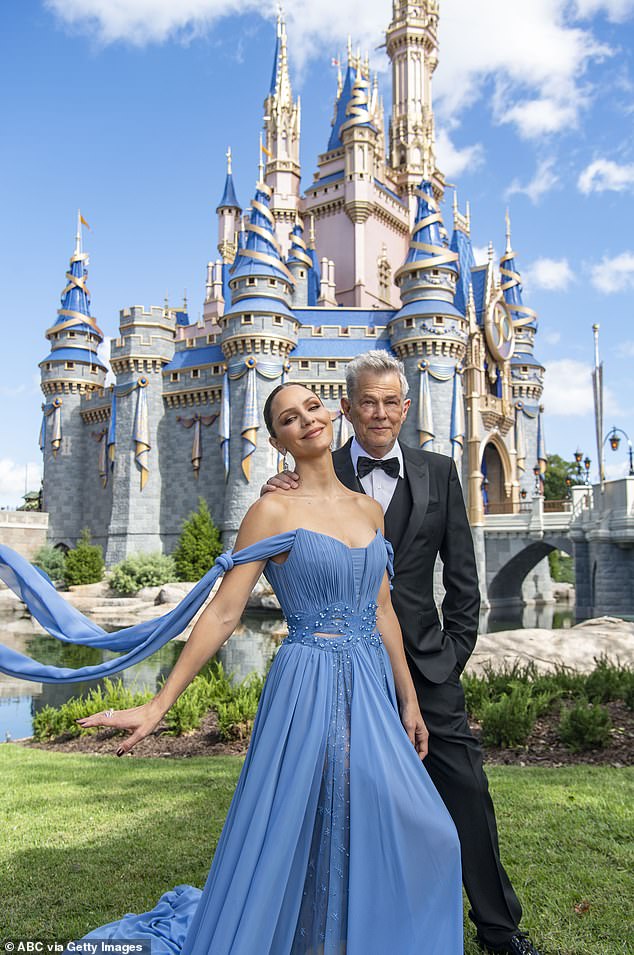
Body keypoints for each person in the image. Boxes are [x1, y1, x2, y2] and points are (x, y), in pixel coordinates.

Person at [1, 382, 464, 955]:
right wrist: (158, 704)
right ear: (277, 441)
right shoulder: (270, 510)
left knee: (428, 832)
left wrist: (410, 702)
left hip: (370, 682)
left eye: (313, 407)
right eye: (290, 419)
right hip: (307, 684)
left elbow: (383, 610)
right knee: (312, 821)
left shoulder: (369, 509)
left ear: (331, 411)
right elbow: (223, 614)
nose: (308, 420)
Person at [263, 351, 543, 955]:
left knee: (466, 790)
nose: (380, 413)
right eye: (368, 401)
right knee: (345, 801)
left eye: (392, 402)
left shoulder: (439, 472)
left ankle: (499, 929)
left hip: (426, 666)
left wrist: (450, 656)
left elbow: (463, 581)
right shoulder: (311, 470)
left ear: (407, 407)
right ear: (347, 407)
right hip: (344, 671)